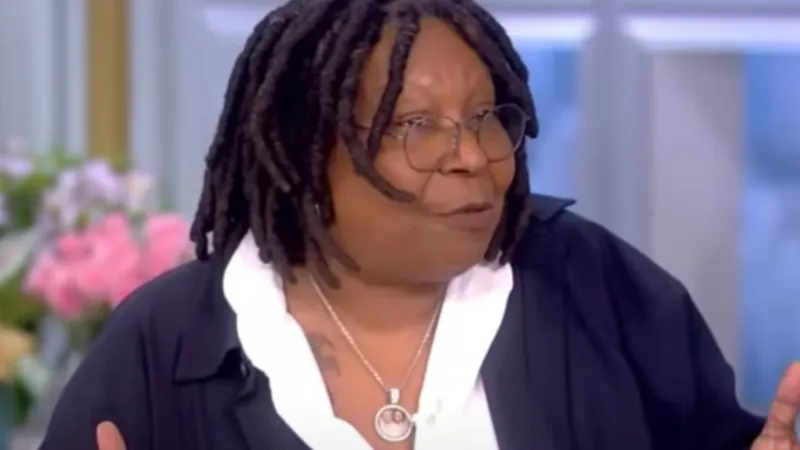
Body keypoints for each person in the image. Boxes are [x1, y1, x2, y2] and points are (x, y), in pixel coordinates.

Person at [40, 0, 800, 449]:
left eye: (487, 117)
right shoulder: (167, 345)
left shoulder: (596, 287)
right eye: (415, 127)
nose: (472, 156)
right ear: (307, 154)